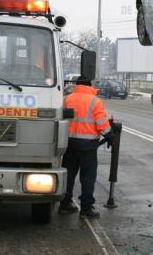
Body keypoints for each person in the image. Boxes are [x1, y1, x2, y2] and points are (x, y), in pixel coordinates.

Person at [58, 76, 115, 219]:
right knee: (88, 177)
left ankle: (65, 204)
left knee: (69, 175)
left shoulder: (67, 99)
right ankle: (86, 208)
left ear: (76, 85)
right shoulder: (95, 101)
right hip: (87, 146)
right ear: (90, 86)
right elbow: (102, 124)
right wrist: (111, 137)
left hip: (69, 144)